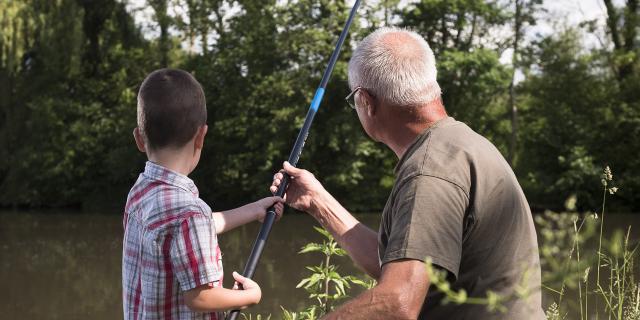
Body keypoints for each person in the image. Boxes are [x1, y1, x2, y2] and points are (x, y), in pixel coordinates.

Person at [271, 27, 544, 319]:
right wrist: (318, 201)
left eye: (354, 101)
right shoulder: (459, 144)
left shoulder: (429, 173)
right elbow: (400, 269)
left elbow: (398, 302)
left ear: (366, 101)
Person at [122, 68, 284, 320]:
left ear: (139, 138)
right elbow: (201, 297)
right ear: (201, 136)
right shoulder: (189, 213)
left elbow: (195, 228)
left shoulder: (140, 192)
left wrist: (254, 210)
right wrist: (251, 295)